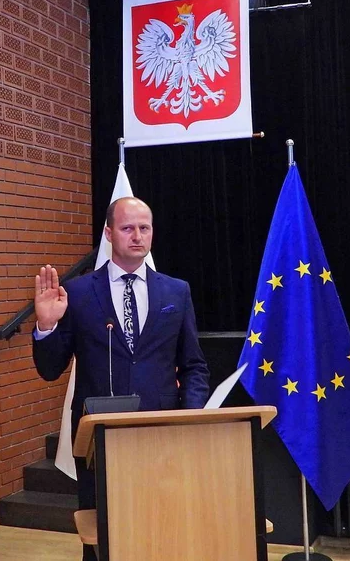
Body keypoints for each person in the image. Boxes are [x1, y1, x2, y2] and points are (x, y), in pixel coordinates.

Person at [32, 197, 209, 561]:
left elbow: (194, 365)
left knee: (161, 531)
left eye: (145, 228)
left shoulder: (176, 291)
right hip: (98, 440)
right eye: (128, 228)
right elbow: (50, 370)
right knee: (102, 538)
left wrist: (190, 419)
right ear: (109, 233)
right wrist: (47, 325)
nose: (137, 236)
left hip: (162, 436)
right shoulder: (78, 292)